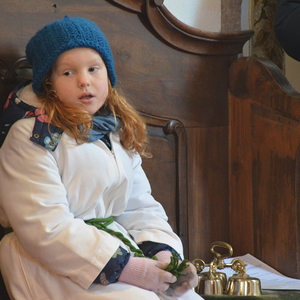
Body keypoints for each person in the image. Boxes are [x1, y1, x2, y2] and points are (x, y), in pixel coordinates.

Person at [0, 16, 203, 300]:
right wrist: (127, 268)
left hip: (116, 251)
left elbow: (139, 206)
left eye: (94, 69)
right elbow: (44, 225)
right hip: (55, 262)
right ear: (48, 84)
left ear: (108, 74)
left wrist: (164, 255)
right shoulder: (33, 136)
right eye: (68, 73)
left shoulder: (114, 131)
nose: (85, 80)